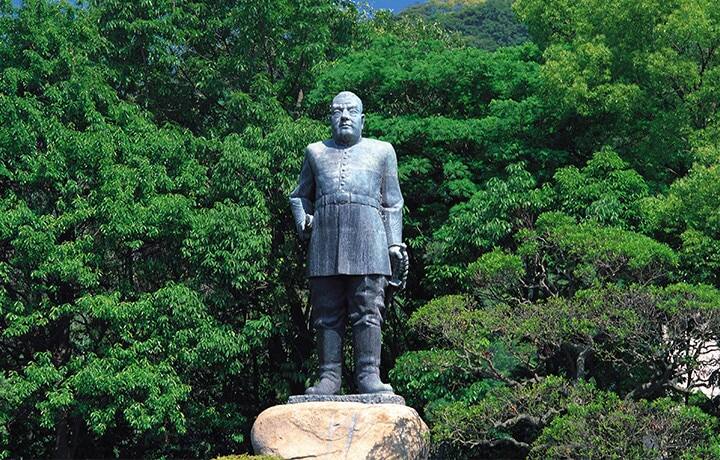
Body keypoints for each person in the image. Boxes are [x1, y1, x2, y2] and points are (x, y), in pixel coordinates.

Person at [289, 91, 408, 395]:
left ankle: (369, 375)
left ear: (362, 119)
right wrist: (304, 221)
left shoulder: (382, 151)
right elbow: (299, 196)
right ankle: (328, 376)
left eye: (351, 111)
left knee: (368, 308)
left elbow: (393, 202)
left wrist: (394, 243)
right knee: (325, 311)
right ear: (330, 117)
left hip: (370, 237)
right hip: (325, 238)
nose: (344, 116)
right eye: (338, 111)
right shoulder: (315, 152)